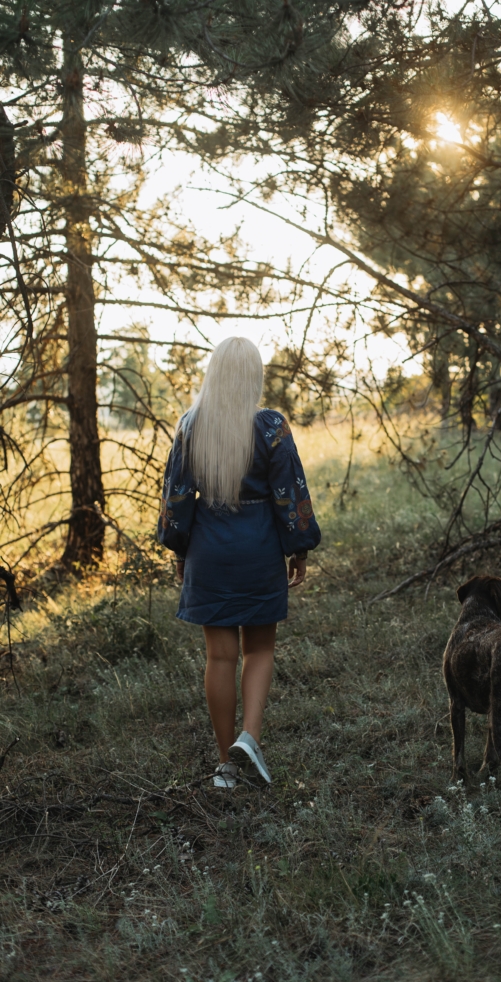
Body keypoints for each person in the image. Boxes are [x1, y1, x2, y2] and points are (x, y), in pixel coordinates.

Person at [158, 337, 321, 789]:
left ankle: (225, 765)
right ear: (253, 377)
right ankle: (250, 736)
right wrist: (299, 548)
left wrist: (180, 549)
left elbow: (176, 497)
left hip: (209, 551)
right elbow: (291, 492)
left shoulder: (192, 426)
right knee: (260, 650)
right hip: (258, 548)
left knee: (219, 656)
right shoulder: (271, 428)